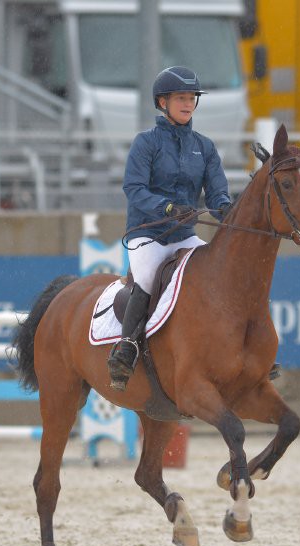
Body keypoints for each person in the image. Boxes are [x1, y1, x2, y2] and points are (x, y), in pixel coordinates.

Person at [108, 66, 232, 391]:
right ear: (162, 102)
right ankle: (127, 348)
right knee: (148, 278)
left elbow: (217, 194)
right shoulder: (145, 143)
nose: (188, 103)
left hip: (184, 235)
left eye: (192, 98)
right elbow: (133, 188)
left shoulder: (204, 147)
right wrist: (166, 208)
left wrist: (228, 212)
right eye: (181, 97)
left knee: (219, 273)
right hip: (148, 232)